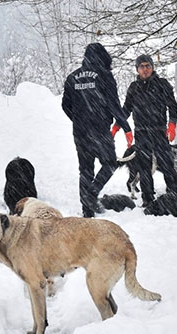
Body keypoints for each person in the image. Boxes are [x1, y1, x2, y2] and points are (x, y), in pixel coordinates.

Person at [62, 43, 133, 218]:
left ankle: (87, 211)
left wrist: (79, 119)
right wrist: (126, 128)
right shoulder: (105, 76)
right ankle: (91, 194)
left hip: (80, 132)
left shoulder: (73, 77)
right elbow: (114, 105)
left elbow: (65, 105)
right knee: (109, 163)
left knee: (85, 170)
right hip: (100, 130)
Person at [117, 54, 177, 210]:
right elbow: (126, 109)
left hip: (159, 131)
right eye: (141, 66)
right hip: (141, 133)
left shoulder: (162, 84)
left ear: (152, 67)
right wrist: (117, 125)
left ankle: (175, 195)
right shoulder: (134, 87)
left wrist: (172, 124)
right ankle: (147, 199)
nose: (145, 69)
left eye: (148, 66)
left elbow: (172, 106)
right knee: (144, 168)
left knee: (167, 164)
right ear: (137, 69)